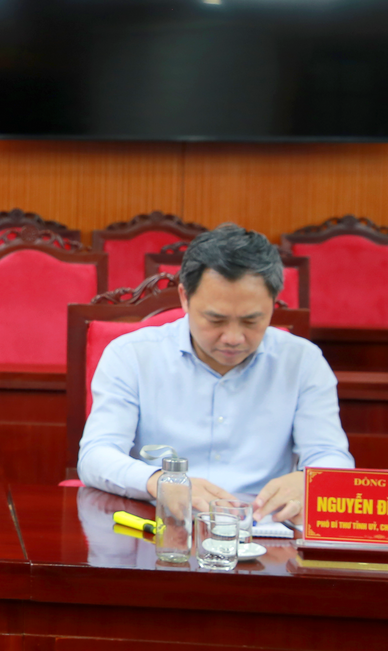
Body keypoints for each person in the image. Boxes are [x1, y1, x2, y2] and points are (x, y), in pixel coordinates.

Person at [77, 223, 353, 521]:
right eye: (216, 320)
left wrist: (310, 481)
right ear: (184, 297)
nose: (233, 338)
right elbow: (96, 456)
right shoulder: (132, 355)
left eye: (251, 321)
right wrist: (159, 481)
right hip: (160, 526)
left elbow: (331, 455)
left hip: (264, 529)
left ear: (273, 304)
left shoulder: (302, 361)